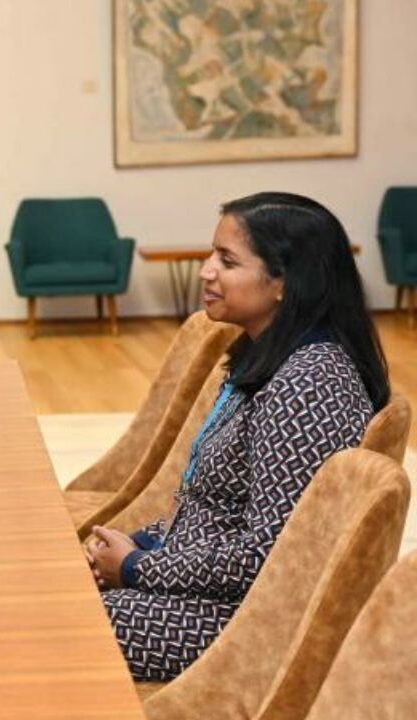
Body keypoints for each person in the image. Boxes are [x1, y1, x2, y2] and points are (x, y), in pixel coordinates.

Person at [87, 192, 389, 681]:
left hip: (244, 623)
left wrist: (139, 567)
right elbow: (215, 508)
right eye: (213, 254)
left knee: (61, 626)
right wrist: (137, 543)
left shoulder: (308, 383)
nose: (206, 271)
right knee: (48, 591)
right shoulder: (265, 354)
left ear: (285, 283)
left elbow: (267, 557)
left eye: (227, 261)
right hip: (201, 590)